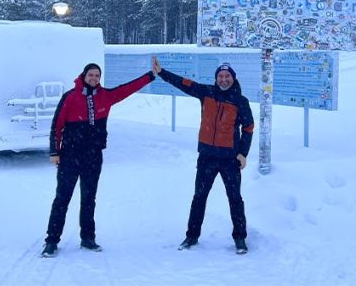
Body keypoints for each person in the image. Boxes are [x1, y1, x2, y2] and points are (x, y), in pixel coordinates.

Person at [41, 63, 155, 257]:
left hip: (93, 156)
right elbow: (56, 125)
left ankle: (88, 238)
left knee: (88, 199)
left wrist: (151, 75)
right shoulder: (70, 97)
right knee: (62, 199)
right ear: (84, 75)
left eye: (97, 75)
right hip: (70, 156)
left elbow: (127, 89)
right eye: (91, 75)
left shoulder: (105, 96)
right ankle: (52, 240)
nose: (94, 78)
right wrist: (55, 152)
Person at [152, 57, 254, 254]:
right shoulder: (206, 92)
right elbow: (184, 84)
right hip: (207, 156)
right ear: (216, 78)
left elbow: (248, 128)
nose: (224, 79)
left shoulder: (240, 101)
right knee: (199, 197)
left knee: (235, 198)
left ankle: (240, 238)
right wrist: (162, 73)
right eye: (221, 76)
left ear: (233, 78)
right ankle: (192, 236)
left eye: (227, 76)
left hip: (230, 159)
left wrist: (243, 153)